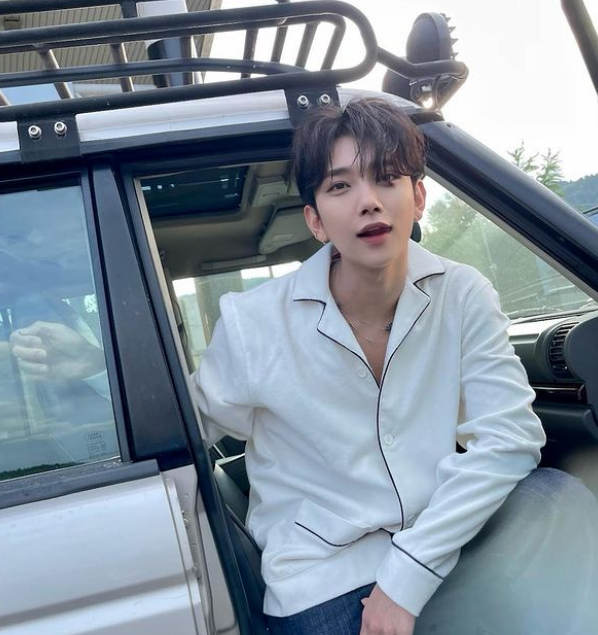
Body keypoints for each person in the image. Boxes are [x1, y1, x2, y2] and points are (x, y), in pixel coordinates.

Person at [193, 98, 598, 635]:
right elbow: (181, 430)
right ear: (315, 220)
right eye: (340, 186)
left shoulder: (462, 293)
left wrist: (405, 579)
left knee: (556, 497)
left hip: (438, 543)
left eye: (386, 179)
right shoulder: (253, 324)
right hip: (323, 577)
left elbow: (510, 436)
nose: (368, 202)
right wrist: (92, 384)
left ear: (419, 197)